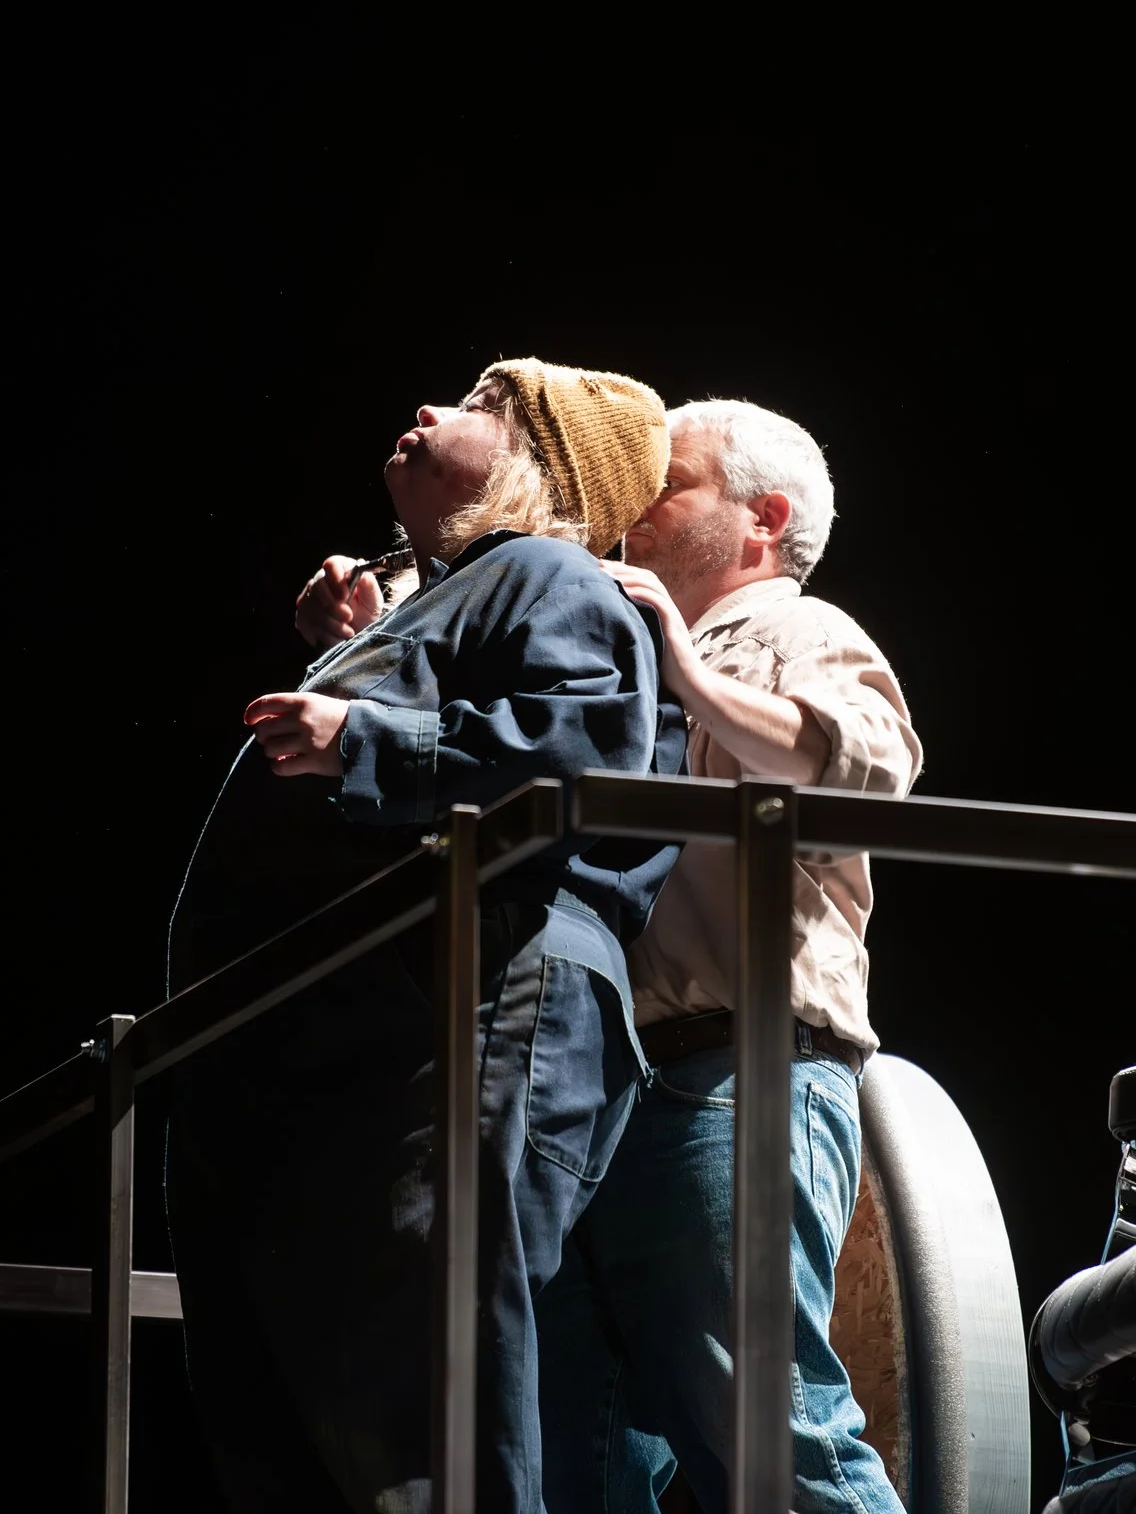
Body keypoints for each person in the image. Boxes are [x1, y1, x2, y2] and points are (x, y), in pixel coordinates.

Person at [167, 357, 686, 1514]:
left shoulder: (548, 571)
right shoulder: (462, 593)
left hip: (456, 1008)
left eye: (482, 407)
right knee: (303, 1408)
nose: (428, 411)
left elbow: (582, 759)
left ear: (541, 464)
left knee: (417, 1405)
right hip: (326, 1050)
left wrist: (364, 738)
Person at [544, 398, 923, 1514]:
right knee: (579, 1451)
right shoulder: (635, 637)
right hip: (608, 1089)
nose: (636, 504)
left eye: (671, 482)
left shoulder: (801, 628)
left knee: (769, 1435)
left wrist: (690, 671)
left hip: (734, 1070)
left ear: (762, 517)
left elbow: (864, 768)